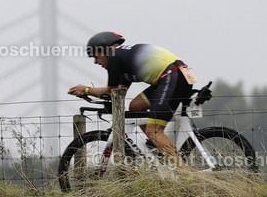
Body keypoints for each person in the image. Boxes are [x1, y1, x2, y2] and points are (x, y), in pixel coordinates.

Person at [67, 31, 197, 160]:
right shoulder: (124, 60)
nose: (96, 62)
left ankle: (184, 174)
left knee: (154, 131)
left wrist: (87, 89)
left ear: (105, 50)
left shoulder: (115, 57)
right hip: (176, 75)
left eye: (95, 56)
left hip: (172, 76)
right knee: (136, 106)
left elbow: (109, 91)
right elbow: (117, 93)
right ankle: (158, 146)